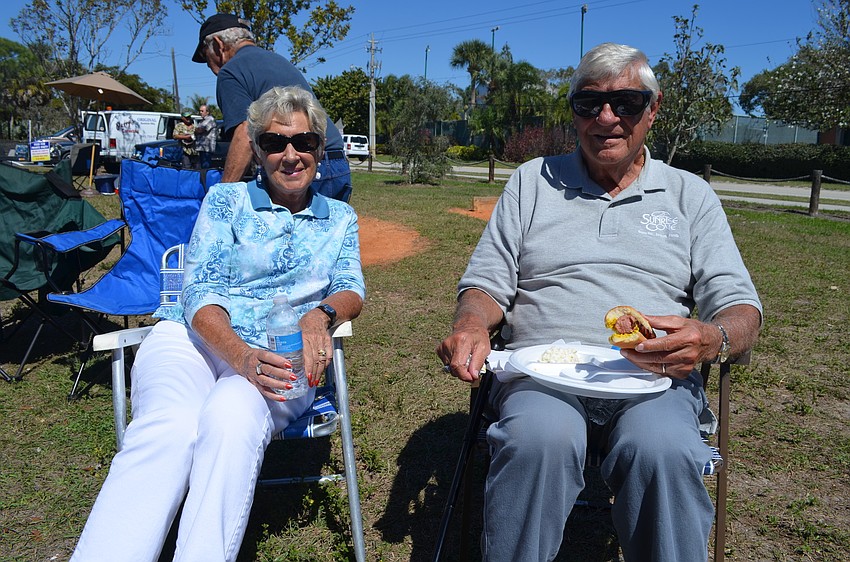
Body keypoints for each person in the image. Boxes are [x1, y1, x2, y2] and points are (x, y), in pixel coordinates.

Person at [436, 42, 763, 562]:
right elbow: (486, 283)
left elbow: (740, 306)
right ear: (574, 114)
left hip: (654, 378)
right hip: (544, 375)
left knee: (663, 449)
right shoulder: (531, 183)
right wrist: (473, 323)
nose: (606, 118)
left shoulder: (689, 195)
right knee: (538, 439)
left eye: (626, 103)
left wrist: (713, 338)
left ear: (652, 111)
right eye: (589, 104)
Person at [70, 85, 366, 562]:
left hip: (281, 350)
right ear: (256, 149)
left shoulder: (340, 219)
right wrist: (240, 356)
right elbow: (200, 291)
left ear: (319, 147)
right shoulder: (226, 201)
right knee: (169, 428)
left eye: (304, 142)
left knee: (231, 416)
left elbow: (352, 286)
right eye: (273, 143)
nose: (290, 155)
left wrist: (320, 315)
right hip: (193, 340)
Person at [192, 13, 353, 202]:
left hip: (302, 167)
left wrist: (221, 198)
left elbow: (244, 133)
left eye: (205, 55)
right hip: (335, 163)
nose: (208, 65)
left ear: (218, 45)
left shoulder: (230, 71)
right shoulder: (278, 60)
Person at [195, 104, 218, 169]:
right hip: (201, 147)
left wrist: (194, 130)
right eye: (200, 111)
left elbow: (200, 130)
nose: (200, 112)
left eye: (202, 111)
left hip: (207, 148)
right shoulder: (202, 121)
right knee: (200, 167)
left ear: (207, 112)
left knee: (206, 167)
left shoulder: (210, 120)